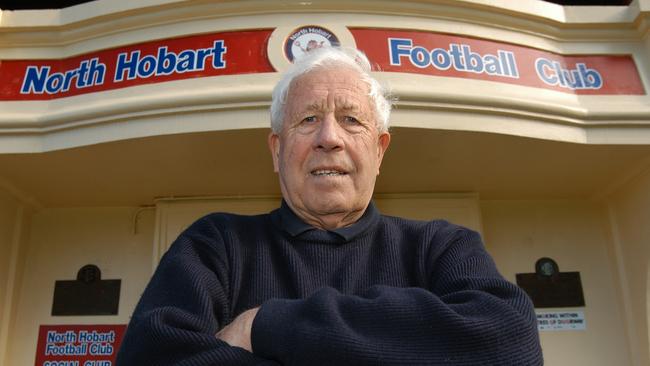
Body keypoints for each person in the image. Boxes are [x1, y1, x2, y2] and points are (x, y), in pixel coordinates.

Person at [116, 47, 543, 365]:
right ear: (276, 150)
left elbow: (511, 343)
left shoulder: (441, 246)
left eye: (351, 119)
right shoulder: (215, 245)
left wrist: (265, 326)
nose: (329, 137)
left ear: (379, 151)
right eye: (308, 119)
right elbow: (151, 358)